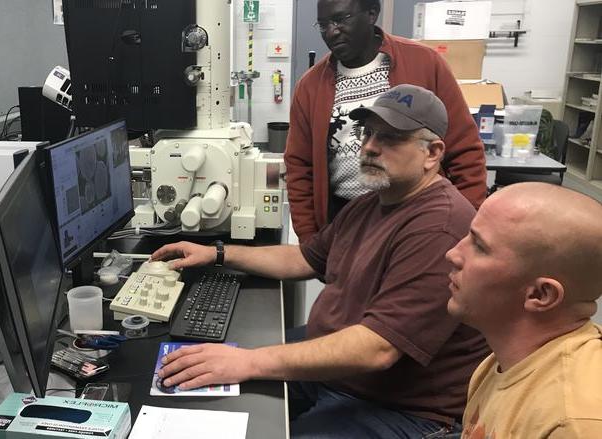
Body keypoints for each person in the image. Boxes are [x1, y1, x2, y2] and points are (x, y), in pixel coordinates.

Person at [151, 85, 489, 438]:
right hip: (341, 375)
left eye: (390, 138)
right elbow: (304, 258)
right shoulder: (372, 203)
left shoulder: (438, 227)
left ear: (432, 153)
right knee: (199, 391)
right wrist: (218, 254)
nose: (370, 147)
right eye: (368, 133)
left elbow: (378, 348)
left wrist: (249, 362)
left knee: (247, 392)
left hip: (399, 408)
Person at [285, 0, 487, 243]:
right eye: (324, 24)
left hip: (419, 216)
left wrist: (466, 227)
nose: (332, 31)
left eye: (342, 19)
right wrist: (309, 239)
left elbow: (465, 150)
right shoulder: (310, 86)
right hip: (345, 218)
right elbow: (299, 167)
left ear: (371, 14)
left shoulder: (423, 63)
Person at [445, 183, 602, 438]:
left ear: (540, 295)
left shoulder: (573, 423)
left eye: (480, 247)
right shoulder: (502, 362)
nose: (452, 254)